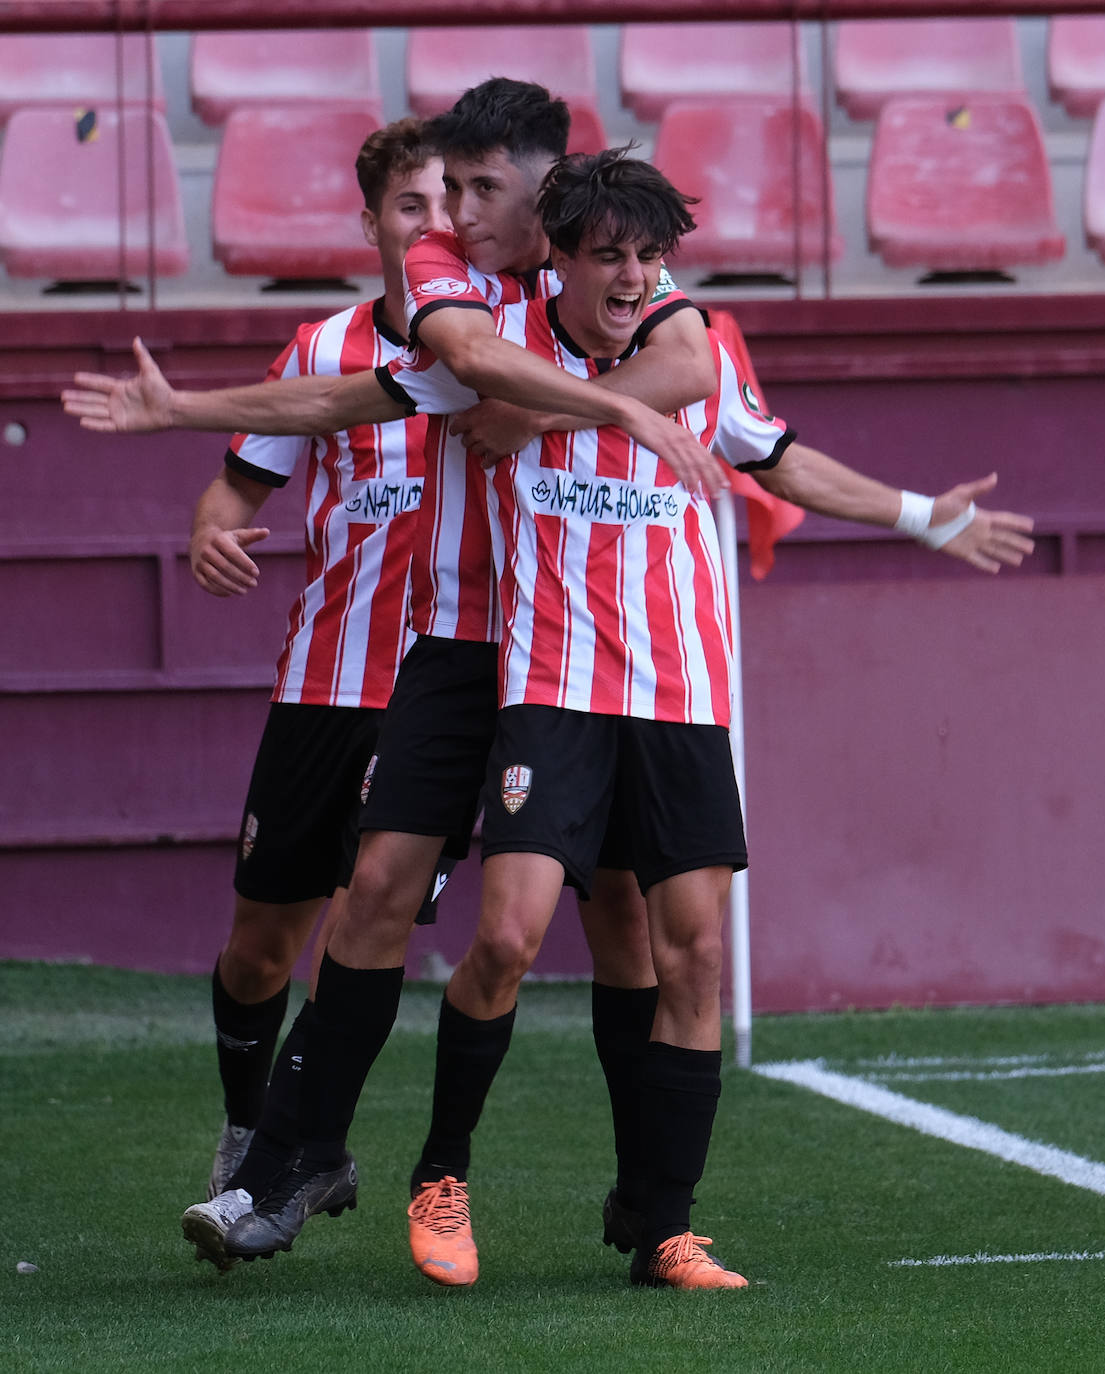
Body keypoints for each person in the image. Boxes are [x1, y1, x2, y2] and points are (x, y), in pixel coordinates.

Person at [346, 148, 1035, 1292]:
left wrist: (922, 517)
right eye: (608, 255)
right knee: (508, 938)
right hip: (551, 685)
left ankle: (661, 1223)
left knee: (695, 955)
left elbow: (785, 461)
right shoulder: (501, 354)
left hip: (681, 695)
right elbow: (370, 391)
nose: (631, 276)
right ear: (557, 257)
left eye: (650, 257)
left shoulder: (690, 353)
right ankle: (441, 1173)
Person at [65, 82, 720, 1269]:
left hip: (582, 645)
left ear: (543, 190)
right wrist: (186, 417)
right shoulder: (443, 270)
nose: (452, 211)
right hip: (463, 644)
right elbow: (397, 379)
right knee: (373, 888)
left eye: (479, 190)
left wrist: (548, 423)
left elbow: (685, 359)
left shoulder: (611, 260)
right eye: (440, 189)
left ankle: (649, 1209)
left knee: (623, 916)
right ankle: (287, 1166)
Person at [177, 118, 451, 1268]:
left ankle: (296, 1157)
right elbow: (231, 492)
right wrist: (210, 533)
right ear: (370, 223)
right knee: (258, 949)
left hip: (437, 695)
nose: (431, 228)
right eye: (408, 208)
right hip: (318, 687)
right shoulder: (321, 348)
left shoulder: (500, 350)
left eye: (450, 207)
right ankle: (253, 1129)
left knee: (363, 927)